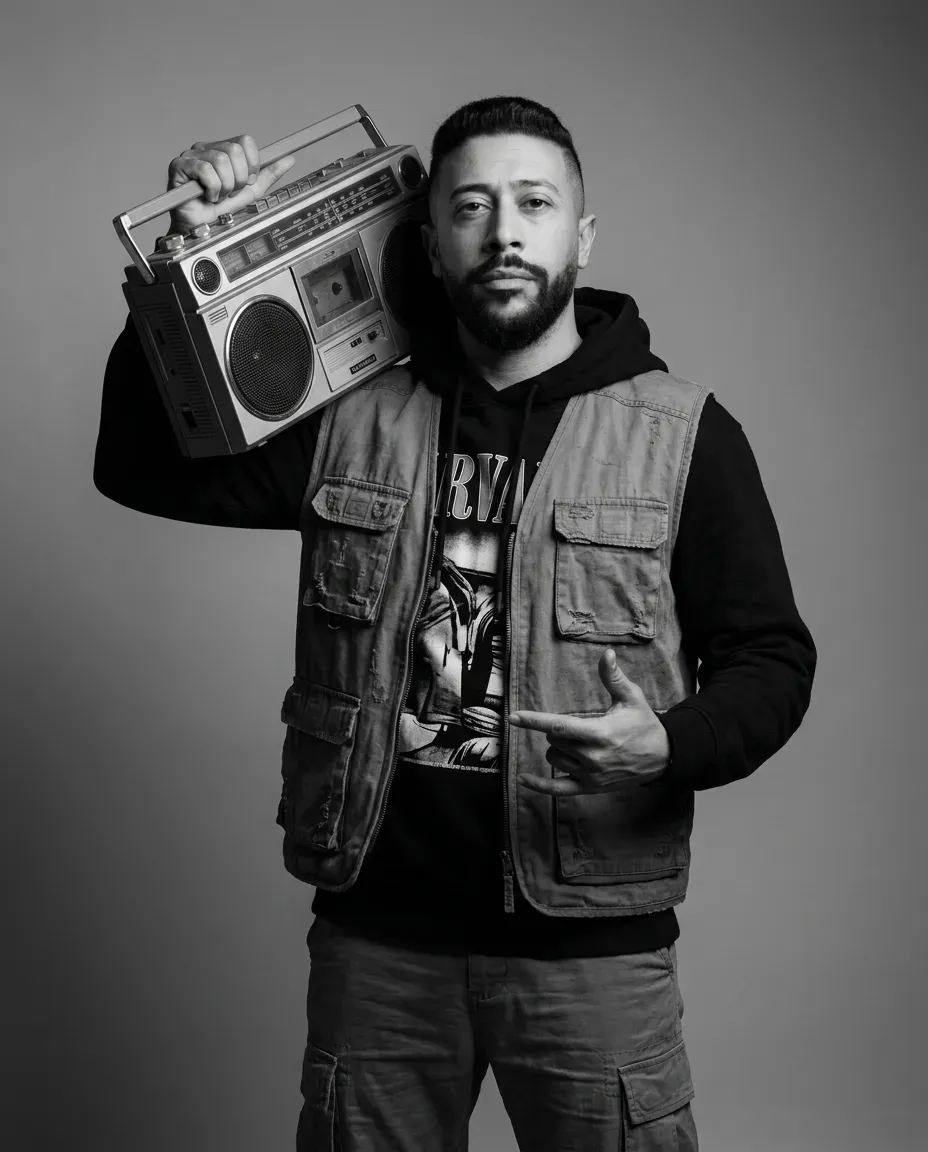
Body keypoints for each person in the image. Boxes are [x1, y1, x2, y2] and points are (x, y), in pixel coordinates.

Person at [94, 95, 817, 1151]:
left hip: (589, 951)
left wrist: (670, 744)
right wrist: (177, 270)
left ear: (583, 233)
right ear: (429, 244)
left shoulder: (683, 436)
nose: (505, 230)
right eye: (470, 207)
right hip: (379, 944)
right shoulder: (349, 420)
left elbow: (771, 659)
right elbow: (138, 466)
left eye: (534, 202)